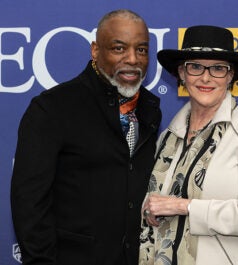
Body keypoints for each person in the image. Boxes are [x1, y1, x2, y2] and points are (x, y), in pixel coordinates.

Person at [11, 9, 161, 265]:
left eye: (142, 50)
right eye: (119, 48)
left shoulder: (149, 108)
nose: (133, 59)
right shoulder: (53, 108)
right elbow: (29, 203)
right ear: (95, 50)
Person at [139, 25, 238, 265]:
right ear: (181, 73)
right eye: (195, 67)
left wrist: (185, 206)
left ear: (230, 75)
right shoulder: (167, 138)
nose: (206, 77)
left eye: (218, 68)